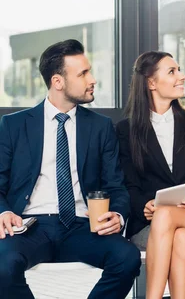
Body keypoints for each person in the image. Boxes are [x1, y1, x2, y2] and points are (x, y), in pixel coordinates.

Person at [0, 39, 140, 299]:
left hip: (81, 226)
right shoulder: (13, 126)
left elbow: (115, 185)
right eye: (83, 73)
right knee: (2, 266)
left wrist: (118, 216)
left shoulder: (100, 127)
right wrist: (4, 211)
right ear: (58, 82)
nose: (93, 79)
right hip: (31, 226)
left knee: (127, 257)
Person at [117, 51, 185, 299]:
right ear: (151, 83)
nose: (182, 76)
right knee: (181, 239)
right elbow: (128, 185)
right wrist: (143, 205)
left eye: (179, 70)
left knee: (176, 224)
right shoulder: (126, 130)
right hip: (148, 229)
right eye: (172, 71)